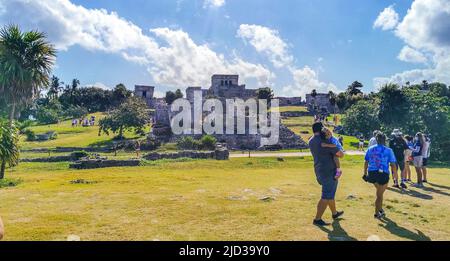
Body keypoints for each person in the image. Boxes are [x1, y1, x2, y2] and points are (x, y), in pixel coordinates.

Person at [309, 122, 345, 226]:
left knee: (330, 194)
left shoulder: (311, 141)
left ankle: (334, 213)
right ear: (321, 130)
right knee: (326, 195)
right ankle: (317, 219)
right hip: (329, 172)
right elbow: (340, 154)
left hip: (318, 169)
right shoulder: (325, 141)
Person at [363, 132, 398, 219]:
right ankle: (376, 213)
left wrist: (364, 173)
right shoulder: (389, 150)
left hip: (372, 173)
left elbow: (366, 161)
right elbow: (393, 164)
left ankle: (380, 209)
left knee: (380, 192)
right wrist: (395, 175)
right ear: (385, 140)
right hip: (383, 174)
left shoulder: (370, 149)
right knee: (379, 194)